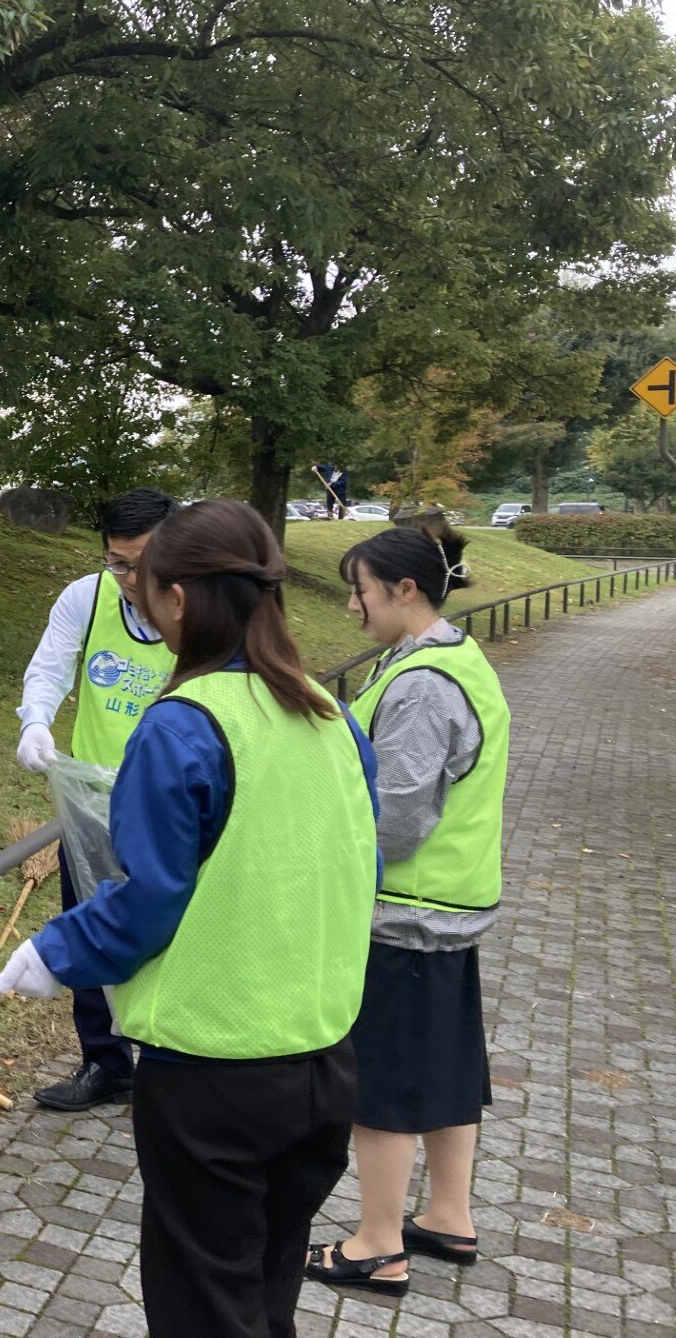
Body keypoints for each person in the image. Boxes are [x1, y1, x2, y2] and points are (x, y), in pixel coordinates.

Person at [0, 500, 380, 1338]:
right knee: (266, 1283)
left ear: (177, 598)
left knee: (203, 1302)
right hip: (325, 1061)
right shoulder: (332, 714)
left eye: (146, 588)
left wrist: (58, 949)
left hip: (215, 1070)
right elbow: (357, 862)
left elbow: (148, 895)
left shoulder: (183, 725)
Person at [305, 518, 509, 1296]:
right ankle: (449, 1216)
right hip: (452, 906)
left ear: (404, 589)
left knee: (383, 1078)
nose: (351, 605)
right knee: (448, 1064)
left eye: (358, 589)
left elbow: (397, 818)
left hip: (406, 912)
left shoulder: (423, 685)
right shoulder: (455, 655)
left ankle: (378, 1243)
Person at [13, 487, 179, 1110]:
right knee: (90, 920)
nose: (133, 579)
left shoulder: (202, 605)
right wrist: (35, 722)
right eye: (119, 562)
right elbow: (51, 667)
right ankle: (106, 1063)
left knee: (173, 931)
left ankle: (171, 1062)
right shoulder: (87, 598)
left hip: (172, 802)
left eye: (146, 562)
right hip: (94, 800)